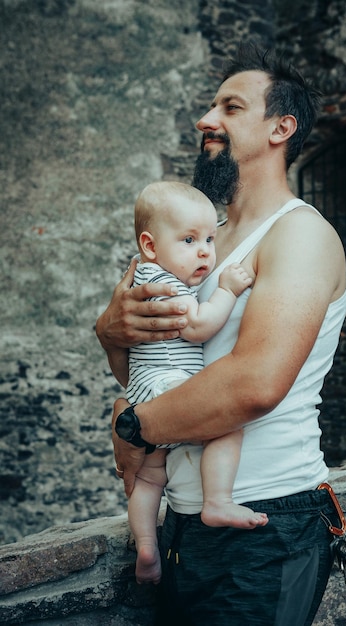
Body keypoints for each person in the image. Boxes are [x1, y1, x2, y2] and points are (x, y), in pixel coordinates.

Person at [96, 40, 346, 626]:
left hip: (268, 521)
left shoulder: (300, 236)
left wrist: (133, 428)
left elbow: (253, 385)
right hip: (183, 520)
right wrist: (111, 336)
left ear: (281, 128)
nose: (206, 120)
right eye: (212, 107)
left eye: (231, 108)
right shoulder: (200, 244)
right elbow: (151, 370)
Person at [123, 180, 267, 585]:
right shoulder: (168, 286)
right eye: (188, 240)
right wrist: (227, 289)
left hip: (141, 395)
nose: (204, 250)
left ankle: (147, 546)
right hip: (169, 386)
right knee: (228, 424)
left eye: (209, 238)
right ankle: (218, 500)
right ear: (151, 246)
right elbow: (200, 326)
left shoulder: (139, 279)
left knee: (150, 477)